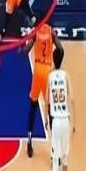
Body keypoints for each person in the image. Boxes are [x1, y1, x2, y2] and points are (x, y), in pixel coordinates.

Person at [23, 21, 63, 158]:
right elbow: (60, 49)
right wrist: (57, 65)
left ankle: (29, 142)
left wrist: (21, 52)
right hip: (48, 72)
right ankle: (54, 148)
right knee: (51, 110)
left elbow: (26, 50)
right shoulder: (51, 32)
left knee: (33, 107)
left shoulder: (36, 32)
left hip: (38, 71)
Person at [45, 48, 75, 171]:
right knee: (65, 159)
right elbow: (72, 99)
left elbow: (47, 102)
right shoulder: (66, 76)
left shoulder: (50, 77)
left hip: (56, 121)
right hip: (66, 120)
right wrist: (74, 123)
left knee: (55, 162)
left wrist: (46, 120)